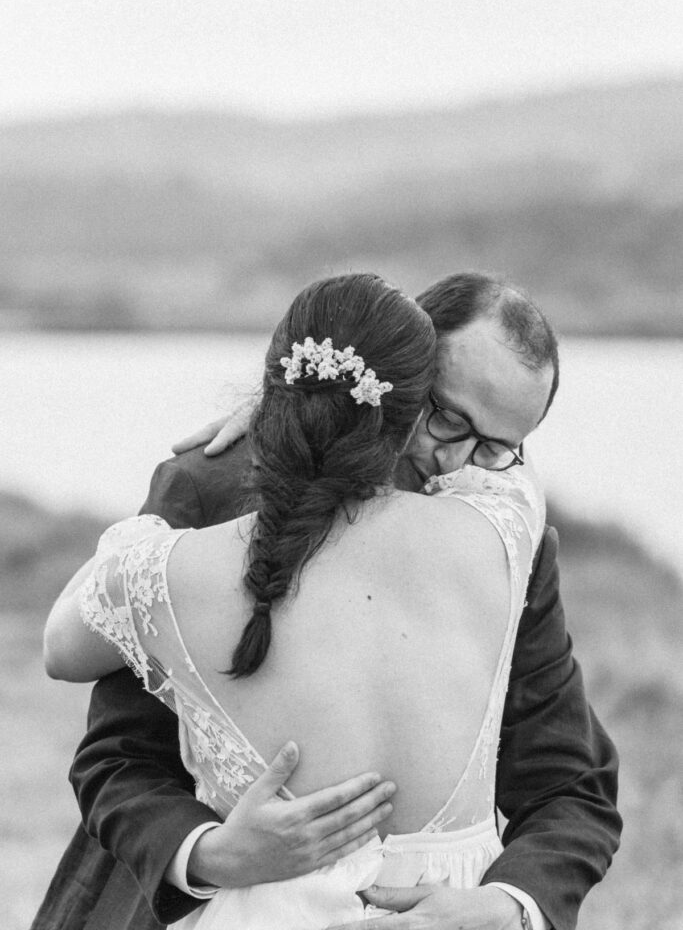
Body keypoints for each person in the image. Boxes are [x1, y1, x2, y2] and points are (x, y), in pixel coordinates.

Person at [34, 273, 621, 930]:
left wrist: (508, 905)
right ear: (400, 371)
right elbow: (118, 752)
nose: (453, 458)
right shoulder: (208, 485)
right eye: (446, 416)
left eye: (497, 445)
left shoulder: (503, 535)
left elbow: (568, 781)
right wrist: (207, 855)